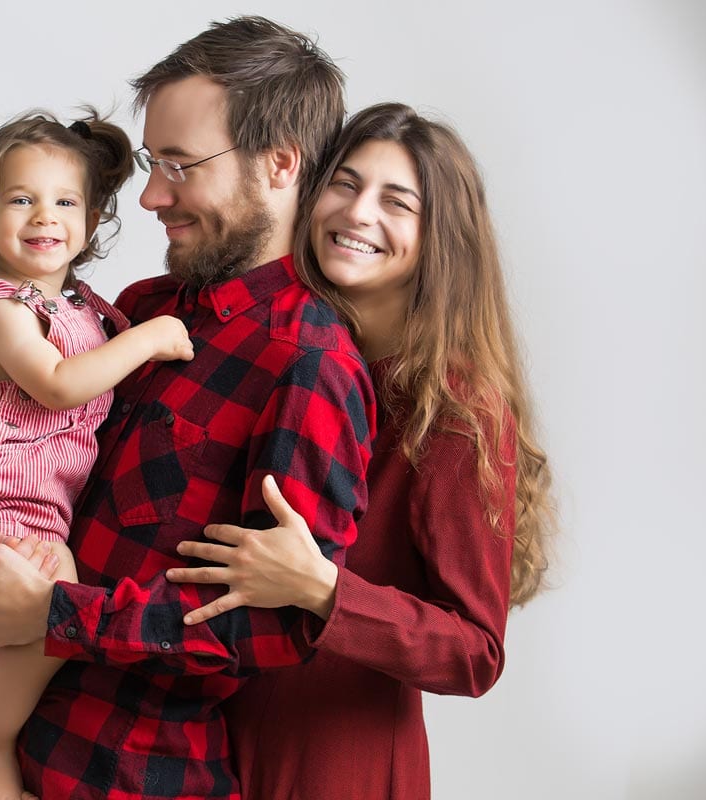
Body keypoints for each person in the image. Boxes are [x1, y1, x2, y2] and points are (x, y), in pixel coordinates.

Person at [0, 17, 376, 800]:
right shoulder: (140, 310)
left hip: (139, 775)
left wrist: (57, 614)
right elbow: (26, 455)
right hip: (20, 752)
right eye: (150, 163)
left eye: (180, 164)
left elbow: (272, 624)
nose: (148, 196)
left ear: (280, 164)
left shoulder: (309, 364)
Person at [166, 103, 557, 799]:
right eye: (344, 185)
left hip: (334, 763)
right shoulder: (286, 352)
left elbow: (476, 653)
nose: (357, 212)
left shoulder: (458, 411)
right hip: (202, 738)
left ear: (440, 239)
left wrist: (322, 589)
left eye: (395, 201)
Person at [0, 109, 195, 800]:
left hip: (39, 503)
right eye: (21, 200)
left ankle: (3, 735)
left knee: (54, 615)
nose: (45, 216)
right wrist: (151, 337)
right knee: (58, 601)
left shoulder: (79, 307)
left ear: (92, 221)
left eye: (66, 202)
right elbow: (59, 384)